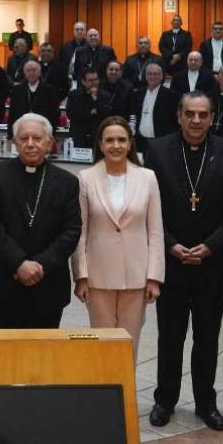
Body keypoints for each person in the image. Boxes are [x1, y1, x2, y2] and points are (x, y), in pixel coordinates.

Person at [144, 93, 223, 432]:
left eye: (203, 114)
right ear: (178, 116)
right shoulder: (157, 151)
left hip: (212, 264)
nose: (196, 121)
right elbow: (150, 207)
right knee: (169, 336)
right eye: (190, 114)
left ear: (212, 117)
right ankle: (165, 400)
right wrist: (171, 246)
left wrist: (210, 246)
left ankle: (206, 402)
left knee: (207, 337)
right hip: (170, 263)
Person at [0, 113, 81, 328]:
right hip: (5, 280)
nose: (30, 144)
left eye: (37, 138)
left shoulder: (67, 182)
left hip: (49, 284)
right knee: (4, 355)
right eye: (24, 138)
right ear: (15, 142)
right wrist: (19, 262)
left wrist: (40, 265)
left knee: (43, 357)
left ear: (49, 142)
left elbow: (71, 231)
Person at [72, 115, 163, 350]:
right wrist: (80, 275)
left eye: (121, 140)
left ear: (131, 143)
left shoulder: (147, 178)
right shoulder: (86, 178)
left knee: (128, 345)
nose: (116, 146)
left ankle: (126, 388)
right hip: (97, 276)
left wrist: (154, 277)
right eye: (109, 140)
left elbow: (155, 231)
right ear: (100, 145)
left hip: (137, 276)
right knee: (102, 346)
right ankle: (104, 388)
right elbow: (80, 231)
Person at [7, 60, 60, 139]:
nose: (31, 73)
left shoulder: (50, 90)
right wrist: (11, 134)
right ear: (25, 73)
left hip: (42, 131)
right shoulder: (17, 90)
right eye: (28, 70)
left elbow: (54, 113)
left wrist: (51, 132)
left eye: (34, 70)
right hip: (21, 131)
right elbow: (12, 113)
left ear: (39, 72)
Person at [133, 63, 179, 151]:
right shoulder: (138, 93)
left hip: (162, 140)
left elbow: (175, 120)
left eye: (156, 74)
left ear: (162, 76)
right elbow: (134, 114)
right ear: (145, 76)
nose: (152, 77)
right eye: (150, 74)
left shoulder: (171, 95)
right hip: (141, 140)